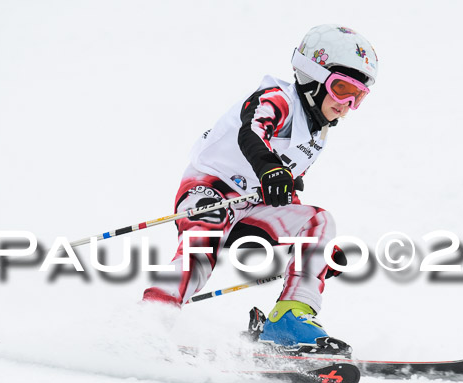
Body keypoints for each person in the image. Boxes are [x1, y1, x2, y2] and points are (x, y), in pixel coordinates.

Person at [143, 24, 378, 352]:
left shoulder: (317, 135)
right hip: (210, 191)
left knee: (320, 222)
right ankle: (149, 321)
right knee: (202, 243)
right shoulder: (276, 98)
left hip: (252, 208)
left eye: (358, 97)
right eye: (341, 89)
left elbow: (282, 192)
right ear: (312, 76)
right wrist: (269, 169)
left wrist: (318, 250)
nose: (347, 104)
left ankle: (289, 319)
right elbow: (251, 132)